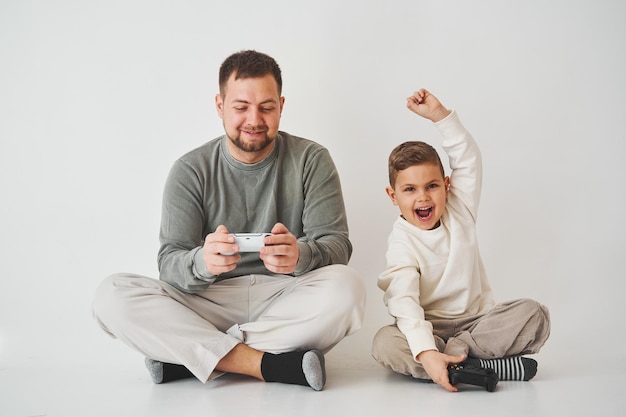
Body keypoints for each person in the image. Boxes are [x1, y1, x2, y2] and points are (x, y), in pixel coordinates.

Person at [92, 50, 366, 391]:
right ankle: (268, 365)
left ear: (281, 105)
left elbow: (337, 246)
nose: (254, 119)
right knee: (111, 296)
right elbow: (169, 265)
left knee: (348, 287)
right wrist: (202, 262)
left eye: (266, 107)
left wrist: (301, 255)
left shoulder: (312, 159)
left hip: (283, 294)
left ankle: (196, 355)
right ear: (220, 105)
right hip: (208, 298)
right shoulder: (190, 169)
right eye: (241, 107)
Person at [371, 88, 550, 392]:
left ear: (447, 186)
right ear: (393, 196)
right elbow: (404, 301)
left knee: (535, 314)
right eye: (410, 189)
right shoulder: (401, 242)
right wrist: (426, 350)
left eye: (431, 186)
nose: (423, 197)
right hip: (431, 329)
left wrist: (440, 116)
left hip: (477, 324)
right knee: (384, 344)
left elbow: (468, 158)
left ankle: (457, 359)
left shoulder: (460, 210)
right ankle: (471, 366)